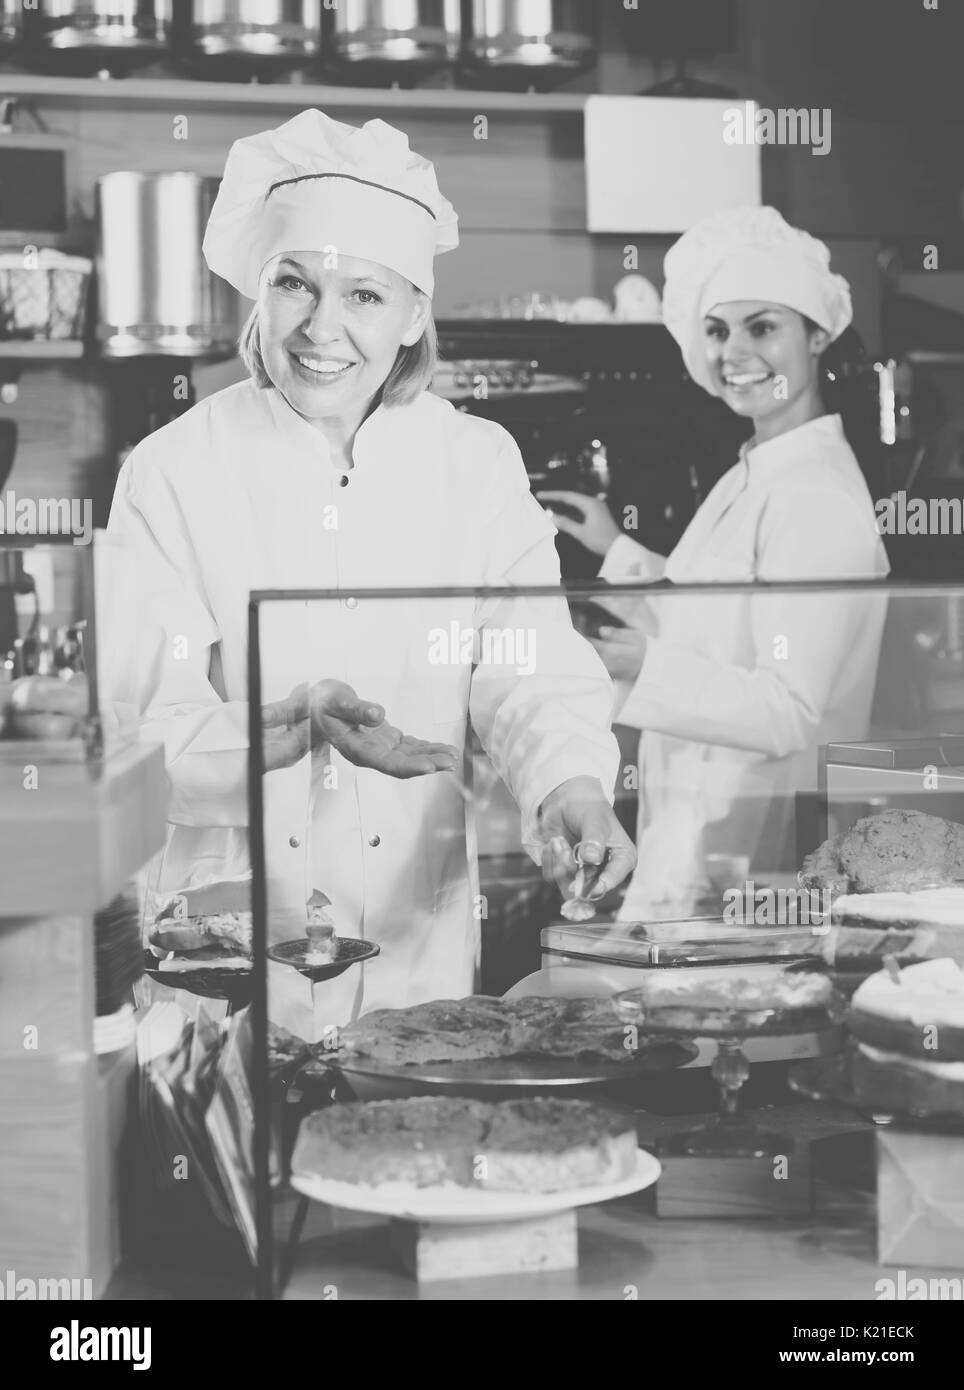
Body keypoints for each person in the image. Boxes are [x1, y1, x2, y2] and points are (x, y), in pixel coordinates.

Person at [102, 109, 634, 1028]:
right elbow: (136, 731)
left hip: (415, 941)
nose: (322, 328)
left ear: (414, 313)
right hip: (227, 959)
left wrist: (572, 787)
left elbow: (530, 672)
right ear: (256, 297)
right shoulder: (170, 471)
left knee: (402, 1142)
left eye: (365, 296)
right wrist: (272, 730)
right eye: (295, 285)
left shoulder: (477, 462)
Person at [539, 206, 889, 919]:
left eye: (763, 327)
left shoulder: (815, 497)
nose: (735, 351)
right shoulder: (758, 468)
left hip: (758, 856)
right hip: (702, 838)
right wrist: (621, 553)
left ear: (817, 334)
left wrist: (640, 664)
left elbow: (792, 711)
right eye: (719, 329)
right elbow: (718, 618)